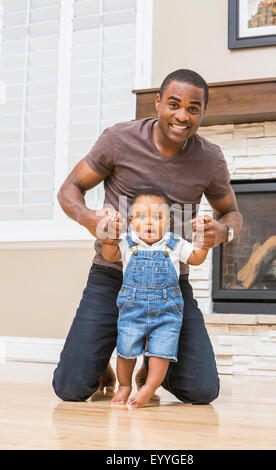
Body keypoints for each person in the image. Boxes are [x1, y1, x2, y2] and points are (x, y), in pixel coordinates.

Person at [52, 68, 243, 404]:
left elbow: (233, 214)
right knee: (70, 388)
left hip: (171, 288)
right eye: (173, 104)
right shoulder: (119, 140)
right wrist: (88, 218)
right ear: (157, 103)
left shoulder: (210, 159)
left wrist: (223, 231)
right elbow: (70, 188)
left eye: (193, 108)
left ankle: (152, 366)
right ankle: (106, 366)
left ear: (202, 113)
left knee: (203, 391)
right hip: (111, 278)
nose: (182, 116)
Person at [102, 188, 209, 408]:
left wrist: (204, 242)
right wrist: (109, 238)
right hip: (132, 310)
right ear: (132, 222)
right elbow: (109, 255)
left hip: (166, 312)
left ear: (168, 222)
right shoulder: (127, 242)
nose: (149, 222)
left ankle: (149, 388)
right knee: (126, 350)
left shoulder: (174, 243)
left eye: (157, 217)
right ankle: (124, 385)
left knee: (161, 352)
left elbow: (196, 258)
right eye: (142, 217)